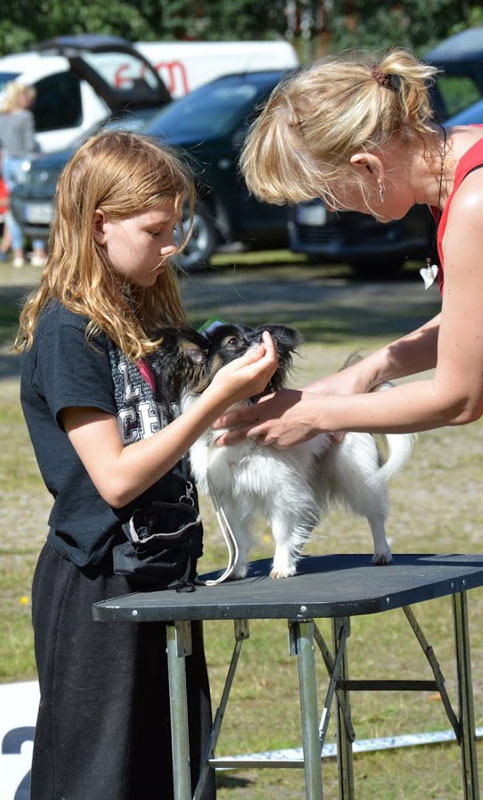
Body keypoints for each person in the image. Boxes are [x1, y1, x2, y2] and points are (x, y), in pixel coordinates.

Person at [213, 49, 483, 797]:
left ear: (365, 164)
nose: (335, 211)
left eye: (329, 193)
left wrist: (314, 411)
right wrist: (368, 369)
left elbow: (457, 396)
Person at [14, 130, 278, 800]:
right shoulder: (69, 330)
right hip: (99, 584)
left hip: (162, 570)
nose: (172, 247)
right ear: (99, 224)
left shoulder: (136, 315)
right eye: (155, 231)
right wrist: (212, 401)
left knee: (176, 775)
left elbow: (165, 437)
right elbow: (116, 477)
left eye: (177, 227)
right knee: (99, 782)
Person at [0, 81, 46, 267]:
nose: (30, 100)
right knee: (33, 206)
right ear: (20, 97)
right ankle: (38, 253)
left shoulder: (3, 117)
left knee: (14, 210)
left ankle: (18, 254)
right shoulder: (25, 116)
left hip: (8, 163)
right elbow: (29, 145)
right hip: (24, 164)